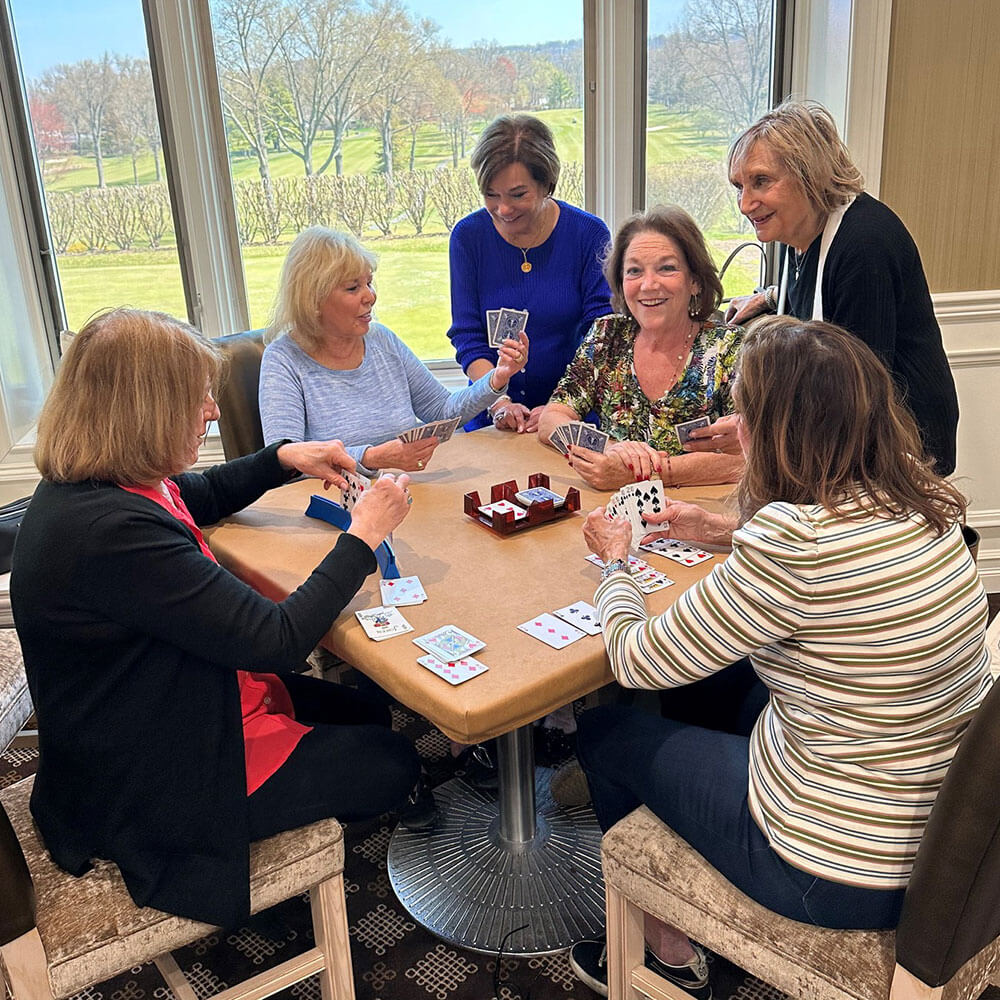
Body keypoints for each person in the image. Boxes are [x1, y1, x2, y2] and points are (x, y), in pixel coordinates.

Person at [566, 316, 990, 999]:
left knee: (607, 730)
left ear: (779, 430)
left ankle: (672, 955)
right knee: (735, 685)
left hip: (838, 872)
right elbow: (831, 563)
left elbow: (638, 659)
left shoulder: (796, 544)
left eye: (744, 414)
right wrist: (724, 530)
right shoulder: (922, 495)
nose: (737, 428)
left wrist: (616, 564)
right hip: (949, 847)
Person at [11, 308, 425, 928]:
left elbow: (197, 495)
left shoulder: (102, 484)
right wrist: (362, 538)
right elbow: (276, 639)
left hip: (165, 705)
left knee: (369, 707)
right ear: (144, 411)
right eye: (196, 397)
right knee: (395, 762)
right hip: (158, 775)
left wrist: (283, 457)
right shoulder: (109, 535)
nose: (211, 409)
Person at [699, 99, 959, 476]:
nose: (744, 204)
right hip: (848, 435)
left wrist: (754, 429)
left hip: (903, 444)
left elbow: (856, 387)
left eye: (761, 182)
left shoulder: (865, 243)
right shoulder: (797, 233)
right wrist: (772, 296)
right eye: (739, 187)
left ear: (810, 173)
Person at [260, 227, 529, 473]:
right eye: (353, 287)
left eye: (369, 282)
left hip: (404, 492)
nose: (370, 296)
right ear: (314, 299)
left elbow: (442, 411)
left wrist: (497, 378)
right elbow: (286, 460)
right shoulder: (283, 359)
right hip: (336, 508)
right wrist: (371, 458)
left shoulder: (382, 339)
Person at [537, 206, 745, 491]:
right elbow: (552, 419)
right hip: (610, 512)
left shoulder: (731, 349)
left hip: (698, 517)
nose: (648, 285)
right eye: (634, 271)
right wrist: (610, 448)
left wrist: (644, 473)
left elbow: (750, 456)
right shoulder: (606, 336)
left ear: (694, 281)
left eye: (667, 268)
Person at [447, 114, 612, 433]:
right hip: (491, 416)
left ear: (547, 184)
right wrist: (498, 401)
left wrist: (562, 407)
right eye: (491, 195)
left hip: (571, 411)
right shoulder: (468, 237)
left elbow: (601, 335)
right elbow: (468, 336)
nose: (503, 209)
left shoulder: (588, 234)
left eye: (518, 195)